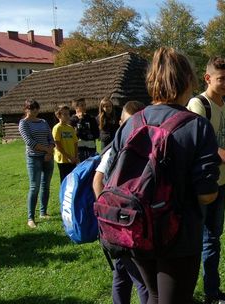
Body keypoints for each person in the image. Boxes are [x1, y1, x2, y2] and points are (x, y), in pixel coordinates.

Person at [107, 47, 221, 304]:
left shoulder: (131, 124)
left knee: (154, 294)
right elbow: (206, 194)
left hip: (134, 226)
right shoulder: (196, 125)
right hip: (178, 235)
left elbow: (109, 178)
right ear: (187, 80)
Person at [187, 56, 225, 304]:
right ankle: (183, 293)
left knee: (213, 242)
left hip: (219, 186)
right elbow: (208, 148)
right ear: (207, 78)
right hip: (198, 188)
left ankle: (212, 293)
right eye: (221, 79)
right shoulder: (198, 105)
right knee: (192, 244)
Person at [93, 100, 148, 304]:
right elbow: (97, 181)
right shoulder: (115, 148)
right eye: (128, 122)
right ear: (120, 122)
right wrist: (107, 213)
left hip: (128, 220)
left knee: (122, 272)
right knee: (141, 277)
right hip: (120, 222)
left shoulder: (144, 147)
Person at [18, 99, 55, 228]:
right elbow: (29, 142)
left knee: (46, 186)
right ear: (26, 109)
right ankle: (30, 218)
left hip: (48, 157)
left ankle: (43, 212)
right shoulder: (23, 123)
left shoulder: (43, 122)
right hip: (34, 158)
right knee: (35, 187)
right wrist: (47, 150)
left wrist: (50, 152)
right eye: (31, 108)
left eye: (36, 108)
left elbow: (51, 138)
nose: (34, 111)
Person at [52, 105, 79, 182]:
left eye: (68, 114)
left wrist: (75, 156)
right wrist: (69, 157)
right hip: (63, 160)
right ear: (58, 115)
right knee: (65, 181)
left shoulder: (70, 128)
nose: (67, 116)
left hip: (73, 159)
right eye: (65, 114)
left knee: (73, 180)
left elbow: (75, 142)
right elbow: (57, 145)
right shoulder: (57, 128)